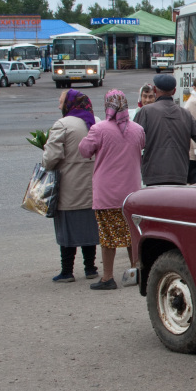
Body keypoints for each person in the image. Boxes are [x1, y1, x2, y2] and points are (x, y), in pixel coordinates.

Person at [78, 90, 144, 290]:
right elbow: (141, 147)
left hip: (107, 193)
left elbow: (84, 150)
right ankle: (136, 271)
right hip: (132, 193)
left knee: (108, 237)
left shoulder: (99, 129)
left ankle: (108, 277)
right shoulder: (138, 129)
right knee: (132, 234)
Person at [42, 90, 99, 283]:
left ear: (70, 103)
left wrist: (44, 155)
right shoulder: (96, 121)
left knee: (67, 228)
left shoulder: (63, 125)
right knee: (90, 228)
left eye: (61, 102)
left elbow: (51, 158)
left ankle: (67, 271)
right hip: (93, 185)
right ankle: (90, 268)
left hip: (69, 186)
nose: (59, 106)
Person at [132, 73, 196, 186]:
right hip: (179, 173)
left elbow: (133, 138)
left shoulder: (146, 111)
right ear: (174, 91)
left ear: (154, 90)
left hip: (153, 174)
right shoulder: (185, 113)